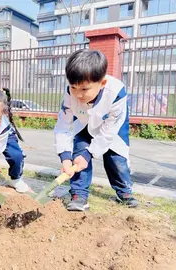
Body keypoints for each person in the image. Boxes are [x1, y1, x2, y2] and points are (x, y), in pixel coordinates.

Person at [54, 49, 139, 211]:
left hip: (111, 125)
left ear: (102, 83)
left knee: (116, 159)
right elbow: (63, 125)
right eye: (73, 87)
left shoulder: (116, 93)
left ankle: (124, 190)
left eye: (84, 89)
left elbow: (108, 132)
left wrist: (89, 154)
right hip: (84, 121)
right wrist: (65, 157)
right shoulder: (69, 93)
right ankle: (79, 194)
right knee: (78, 152)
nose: (78, 95)